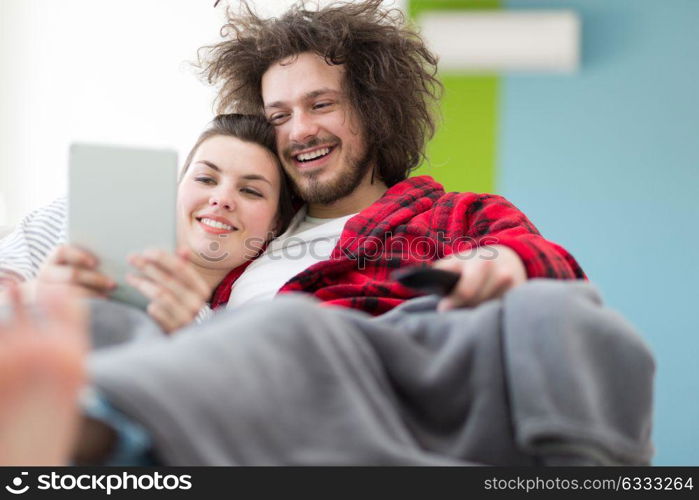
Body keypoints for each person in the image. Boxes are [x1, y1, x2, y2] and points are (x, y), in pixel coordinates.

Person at [0, 0, 654, 465]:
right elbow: (187, 332)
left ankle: (80, 431)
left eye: (321, 104)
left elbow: (540, 261)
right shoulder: (249, 231)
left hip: (395, 382)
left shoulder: (447, 215)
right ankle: (73, 425)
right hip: (259, 410)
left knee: (295, 327)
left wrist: (501, 264)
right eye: (278, 114)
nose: (297, 130)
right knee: (122, 323)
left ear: (373, 109)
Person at [3, 113, 295, 333]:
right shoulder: (76, 216)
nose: (221, 199)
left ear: (276, 224)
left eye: (250, 191)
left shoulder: (224, 331)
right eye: (206, 179)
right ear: (177, 188)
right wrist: (38, 295)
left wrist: (186, 340)